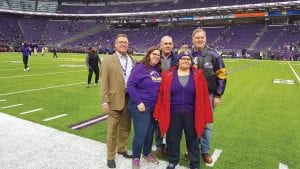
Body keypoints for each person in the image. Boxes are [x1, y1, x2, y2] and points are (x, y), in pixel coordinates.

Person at [153, 49, 213, 169]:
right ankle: (173, 161)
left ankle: (194, 164)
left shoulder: (198, 75)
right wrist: (158, 113)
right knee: (172, 139)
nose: (186, 61)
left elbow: (205, 97)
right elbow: (161, 95)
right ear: (178, 61)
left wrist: (207, 115)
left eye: (188, 59)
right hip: (173, 114)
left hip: (192, 114)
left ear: (191, 61)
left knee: (193, 141)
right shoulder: (168, 75)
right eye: (183, 59)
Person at [192, 28, 227, 164]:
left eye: (202, 37)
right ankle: (193, 148)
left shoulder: (214, 54)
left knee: (206, 124)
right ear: (193, 39)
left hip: (209, 95)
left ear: (205, 39)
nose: (200, 40)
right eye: (197, 38)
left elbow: (222, 76)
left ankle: (205, 151)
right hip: (192, 96)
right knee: (192, 123)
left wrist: (218, 94)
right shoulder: (187, 54)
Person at [100, 34, 135, 168]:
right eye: (120, 42)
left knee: (126, 127)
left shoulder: (131, 59)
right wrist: (104, 100)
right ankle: (110, 156)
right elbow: (104, 82)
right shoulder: (108, 60)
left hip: (129, 98)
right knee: (112, 129)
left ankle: (122, 148)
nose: (123, 44)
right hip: (114, 99)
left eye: (125, 42)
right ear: (115, 44)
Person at [127, 46, 162, 169]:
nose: (156, 56)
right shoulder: (140, 67)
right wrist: (138, 102)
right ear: (148, 54)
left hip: (153, 107)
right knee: (141, 133)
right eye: (154, 54)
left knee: (150, 133)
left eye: (158, 55)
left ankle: (146, 153)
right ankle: (135, 157)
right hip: (141, 106)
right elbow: (130, 84)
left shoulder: (158, 69)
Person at [154, 35, 177, 157]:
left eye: (170, 43)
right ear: (161, 45)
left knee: (172, 123)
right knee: (158, 121)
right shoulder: (155, 57)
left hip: (172, 96)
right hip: (157, 95)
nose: (168, 46)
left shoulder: (177, 58)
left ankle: (168, 146)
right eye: (165, 43)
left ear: (172, 45)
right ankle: (159, 146)